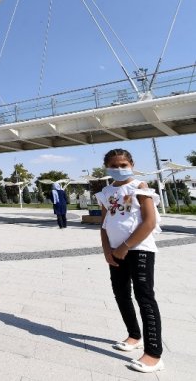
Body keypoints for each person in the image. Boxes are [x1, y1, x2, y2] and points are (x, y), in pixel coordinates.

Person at [95, 148, 164, 373]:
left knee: (144, 297)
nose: (118, 169)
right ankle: (134, 335)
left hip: (139, 249)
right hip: (115, 251)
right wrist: (108, 250)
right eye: (113, 165)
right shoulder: (105, 192)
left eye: (123, 165)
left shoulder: (141, 188)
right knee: (121, 293)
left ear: (131, 164)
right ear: (107, 167)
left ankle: (154, 353)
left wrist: (125, 247)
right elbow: (104, 224)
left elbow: (149, 222)